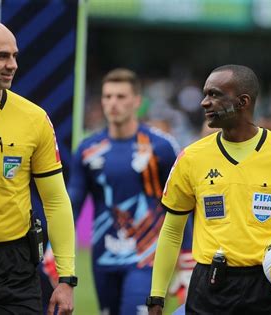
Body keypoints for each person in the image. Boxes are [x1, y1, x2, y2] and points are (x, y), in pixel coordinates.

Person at [147, 64, 271, 315]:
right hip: (209, 285)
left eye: (215, 94)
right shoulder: (191, 157)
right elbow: (172, 231)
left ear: (243, 101)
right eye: (205, 94)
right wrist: (156, 296)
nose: (204, 102)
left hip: (268, 287)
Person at [68, 68, 194, 315]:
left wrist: (187, 257)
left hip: (147, 256)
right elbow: (72, 203)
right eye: (107, 96)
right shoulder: (87, 148)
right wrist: (55, 249)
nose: (113, 103)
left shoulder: (162, 146)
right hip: (103, 256)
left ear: (137, 101)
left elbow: (182, 204)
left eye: (121, 96)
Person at [0, 21, 76, 315]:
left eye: (15, 56)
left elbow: (55, 199)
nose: (12, 65)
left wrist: (66, 278)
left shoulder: (34, 119)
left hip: (13, 266)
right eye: (2, 56)